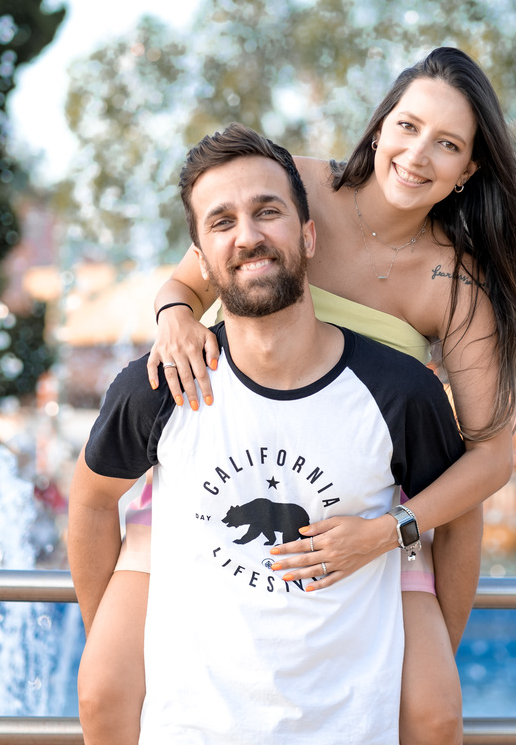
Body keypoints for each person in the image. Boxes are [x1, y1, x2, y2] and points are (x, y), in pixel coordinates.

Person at [83, 46, 516, 743]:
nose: (417, 155)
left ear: (469, 169)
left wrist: (391, 532)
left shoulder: (454, 285)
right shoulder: (297, 187)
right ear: (380, 125)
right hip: (220, 472)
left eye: (447, 144)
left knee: (434, 710)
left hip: (364, 513)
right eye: (407, 126)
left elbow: (490, 457)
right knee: (104, 690)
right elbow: (191, 274)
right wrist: (174, 315)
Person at [69, 123, 466, 743]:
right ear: (201, 260)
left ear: (309, 235)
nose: (248, 236)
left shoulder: (402, 393)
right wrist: (119, 644)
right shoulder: (161, 386)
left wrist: (435, 635)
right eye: (222, 222)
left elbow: (461, 511)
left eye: (268, 212)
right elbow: (92, 501)